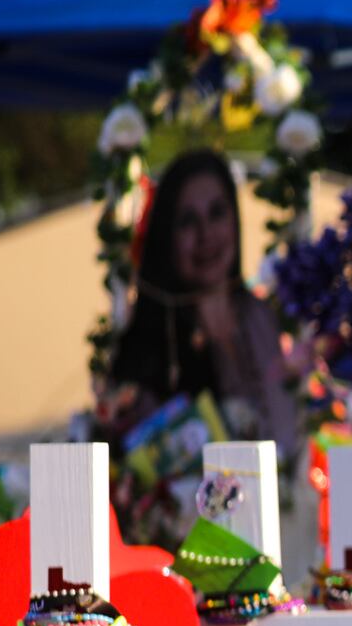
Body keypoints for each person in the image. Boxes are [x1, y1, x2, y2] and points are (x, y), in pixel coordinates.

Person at [105, 149, 298, 453]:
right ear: (166, 235)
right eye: (187, 221)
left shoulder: (260, 315)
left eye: (217, 212)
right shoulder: (151, 339)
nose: (206, 234)